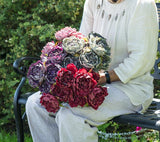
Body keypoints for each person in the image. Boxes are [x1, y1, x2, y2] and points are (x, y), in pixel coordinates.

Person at [26, 0, 159, 141]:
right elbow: (82, 43)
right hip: (92, 83)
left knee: (70, 115)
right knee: (35, 104)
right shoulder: (93, 2)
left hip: (130, 89)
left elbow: (142, 59)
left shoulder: (142, 5)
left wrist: (105, 77)